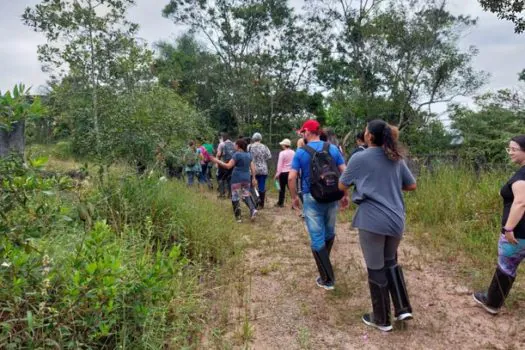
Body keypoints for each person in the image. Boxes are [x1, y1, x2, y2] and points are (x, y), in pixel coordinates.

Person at [338, 119, 416, 332]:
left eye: (365, 130)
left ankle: (381, 319)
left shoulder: (359, 158)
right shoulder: (396, 157)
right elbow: (411, 184)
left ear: (369, 136)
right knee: (390, 261)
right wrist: (389, 185)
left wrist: (365, 186)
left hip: (372, 220)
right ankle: (402, 307)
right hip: (396, 219)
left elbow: (342, 184)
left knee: (375, 266)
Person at [288, 120, 349, 291]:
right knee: (329, 232)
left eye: (303, 132)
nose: (302, 135)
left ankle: (327, 279)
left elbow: (292, 177)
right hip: (332, 195)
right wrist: (345, 194)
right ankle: (325, 267)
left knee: (316, 236)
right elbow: (345, 171)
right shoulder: (333, 149)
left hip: (311, 196)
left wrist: (294, 198)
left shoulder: (301, 152)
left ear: (308, 132)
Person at [473, 135, 525, 315]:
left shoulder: (522, 176)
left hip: (519, 233)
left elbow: (521, 203)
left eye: (514, 149)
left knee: (506, 266)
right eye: (508, 148)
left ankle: (492, 302)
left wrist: (509, 228)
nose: (510, 152)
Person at [210, 139, 258, 222]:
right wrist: (253, 178)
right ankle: (253, 209)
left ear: (238, 146)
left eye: (235, 145)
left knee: (235, 197)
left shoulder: (236, 155)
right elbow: (253, 168)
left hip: (237, 178)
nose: (234, 146)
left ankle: (238, 218)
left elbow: (228, 166)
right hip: (246, 178)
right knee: (246, 195)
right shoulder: (249, 155)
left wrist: (217, 160)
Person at [249, 132, 272, 209]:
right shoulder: (265, 147)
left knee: (252, 186)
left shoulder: (249, 147)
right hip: (263, 169)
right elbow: (269, 157)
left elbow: (247, 157)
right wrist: (262, 160)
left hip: (252, 169)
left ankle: (255, 202)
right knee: (261, 186)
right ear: (260, 139)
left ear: (253, 138)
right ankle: (261, 204)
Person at [275, 138, 295, 207]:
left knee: (282, 189)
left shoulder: (282, 153)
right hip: (291, 172)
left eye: (282, 144)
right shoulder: (293, 152)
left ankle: (280, 203)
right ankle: (294, 203)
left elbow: (279, 164)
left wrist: (277, 174)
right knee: (291, 188)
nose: (281, 146)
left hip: (283, 173)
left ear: (284, 145)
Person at [216, 133, 235, 198]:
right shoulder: (233, 144)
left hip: (223, 164)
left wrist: (217, 163)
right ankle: (230, 194)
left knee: (221, 178)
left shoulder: (222, 144)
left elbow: (218, 154)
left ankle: (222, 194)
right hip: (231, 164)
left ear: (223, 138)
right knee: (229, 178)